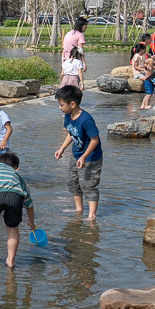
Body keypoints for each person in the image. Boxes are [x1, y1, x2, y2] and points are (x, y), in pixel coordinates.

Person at [54, 84, 102, 221]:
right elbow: (71, 133)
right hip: (76, 155)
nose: (60, 107)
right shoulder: (68, 116)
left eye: (62, 105)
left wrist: (84, 156)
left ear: (73, 104)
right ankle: (79, 209)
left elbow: (95, 140)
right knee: (73, 182)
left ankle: (92, 215)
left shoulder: (86, 120)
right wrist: (62, 148)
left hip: (91, 157)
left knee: (88, 184)